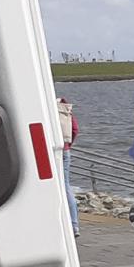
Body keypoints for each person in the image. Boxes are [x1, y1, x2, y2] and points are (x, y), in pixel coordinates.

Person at [55, 94, 79, 234]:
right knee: (66, 185)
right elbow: (75, 129)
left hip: (53, 151)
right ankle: (74, 224)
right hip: (66, 150)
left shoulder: (46, 107)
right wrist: (68, 145)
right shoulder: (64, 108)